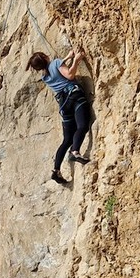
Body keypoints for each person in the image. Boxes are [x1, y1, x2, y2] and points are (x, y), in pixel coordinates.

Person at [28, 49, 92, 183]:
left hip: (64, 105)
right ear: (45, 56)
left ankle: (56, 170)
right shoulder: (56, 63)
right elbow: (69, 75)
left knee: (67, 139)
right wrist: (76, 60)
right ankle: (75, 152)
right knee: (82, 126)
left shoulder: (45, 76)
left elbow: (56, 70)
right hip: (74, 96)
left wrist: (67, 58)